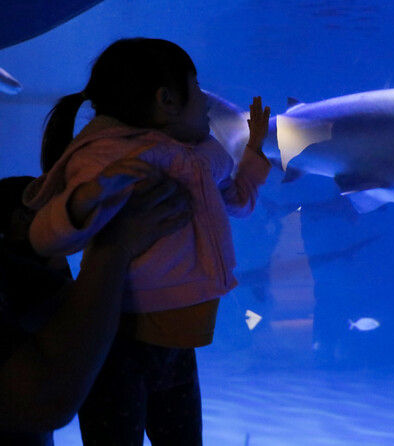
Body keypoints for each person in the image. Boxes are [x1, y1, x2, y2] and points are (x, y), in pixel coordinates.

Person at [23, 37, 272, 445]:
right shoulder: (108, 158)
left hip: (179, 345)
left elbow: (239, 202)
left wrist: (253, 151)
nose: (208, 104)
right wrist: (84, 197)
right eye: (197, 89)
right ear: (167, 101)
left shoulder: (199, 155)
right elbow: (45, 234)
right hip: (117, 343)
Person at [0, 175, 191, 445]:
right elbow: (43, 400)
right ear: (21, 222)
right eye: (59, 219)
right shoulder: (22, 283)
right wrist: (115, 246)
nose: (74, 234)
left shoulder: (30, 284)